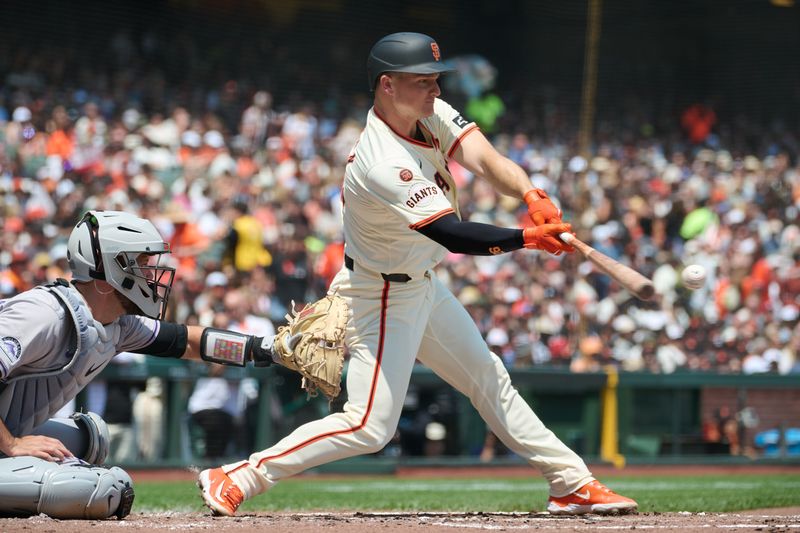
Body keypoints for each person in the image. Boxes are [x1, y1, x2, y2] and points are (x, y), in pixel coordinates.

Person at [198, 32, 637, 517]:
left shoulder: (430, 113)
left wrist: (531, 195)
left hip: (420, 282)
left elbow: (487, 161)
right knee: (369, 425)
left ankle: (570, 482)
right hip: (381, 293)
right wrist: (526, 239)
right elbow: (452, 234)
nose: (435, 89)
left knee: (489, 378)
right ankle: (238, 475)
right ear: (388, 85)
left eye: (435, 79)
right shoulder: (382, 159)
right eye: (423, 81)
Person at [0, 210, 290, 519]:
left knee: (92, 438)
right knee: (104, 491)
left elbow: (188, 342)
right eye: (141, 263)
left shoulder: (117, 324)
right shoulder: (45, 314)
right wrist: (13, 444)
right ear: (111, 268)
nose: (151, 276)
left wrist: (269, 349)